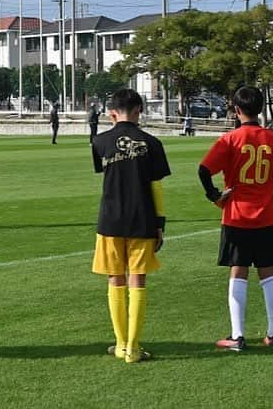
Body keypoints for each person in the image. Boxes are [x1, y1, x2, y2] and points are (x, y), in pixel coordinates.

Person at [199, 86, 273, 351]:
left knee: (238, 272)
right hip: (267, 215)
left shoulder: (229, 140)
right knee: (268, 273)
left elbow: (203, 170)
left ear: (237, 110)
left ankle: (237, 336)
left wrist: (214, 195)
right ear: (260, 109)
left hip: (236, 215)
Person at [91, 88, 170, 363]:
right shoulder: (152, 142)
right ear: (139, 110)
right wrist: (160, 223)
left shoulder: (99, 141)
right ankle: (134, 349)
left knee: (115, 278)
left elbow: (103, 172)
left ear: (113, 112)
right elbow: (156, 186)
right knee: (138, 279)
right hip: (143, 218)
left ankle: (121, 343)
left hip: (110, 219)